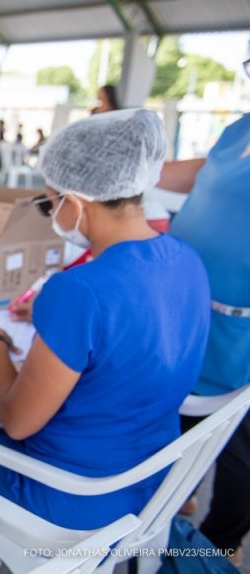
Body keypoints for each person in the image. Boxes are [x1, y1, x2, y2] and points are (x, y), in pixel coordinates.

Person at [0, 109, 210, 531]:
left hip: (70, 497)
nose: (51, 211)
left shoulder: (78, 290)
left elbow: (16, 422)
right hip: (151, 482)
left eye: (48, 200)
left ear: (74, 202)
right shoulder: (187, 260)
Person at [160, 107, 249, 565]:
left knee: (238, 445)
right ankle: (181, 492)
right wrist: (141, 167)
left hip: (242, 325)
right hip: (194, 305)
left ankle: (217, 547)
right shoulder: (241, 127)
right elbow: (208, 167)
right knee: (182, 409)